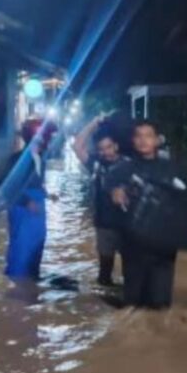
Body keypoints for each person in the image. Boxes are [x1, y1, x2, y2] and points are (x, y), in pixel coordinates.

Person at [109, 120, 187, 309]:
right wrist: (115, 193)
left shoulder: (172, 169)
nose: (143, 140)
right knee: (133, 302)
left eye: (148, 136)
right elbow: (111, 192)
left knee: (160, 304)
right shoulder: (122, 169)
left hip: (163, 245)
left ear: (157, 140)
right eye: (139, 136)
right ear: (133, 140)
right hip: (133, 244)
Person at [73, 113, 131, 286]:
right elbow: (77, 146)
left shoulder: (129, 164)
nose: (106, 152)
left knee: (131, 271)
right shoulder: (97, 164)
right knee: (104, 274)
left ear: (116, 146)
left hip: (128, 227)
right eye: (102, 149)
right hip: (104, 226)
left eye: (109, 147)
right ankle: (105, 298)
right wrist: (93, 123)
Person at [2, 118, 57, 294]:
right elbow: (8, 188)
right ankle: (18, 288)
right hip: (21, 210)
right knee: (21, 246)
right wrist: (27, 201)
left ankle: (32, 282)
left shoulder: (40, 158)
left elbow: (34, 182)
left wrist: (46, 194)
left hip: (37, 208)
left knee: (38, 242)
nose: (48, 141)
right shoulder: (17, 160)